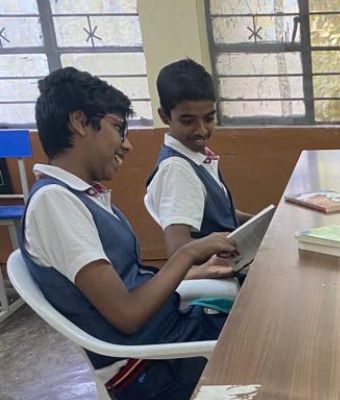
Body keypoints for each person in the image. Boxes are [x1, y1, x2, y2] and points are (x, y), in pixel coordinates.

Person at [20, 67, 237, 399]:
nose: (128, 145)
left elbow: (130, 283)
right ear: (80, 122)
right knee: (275, 341)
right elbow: (128, 315)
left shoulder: (81, 196)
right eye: (119, 129)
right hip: (149, 369)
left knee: (265, 316)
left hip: (170, 338)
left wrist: (194, 271)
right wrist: (188, 253)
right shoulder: (54, 202)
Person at [144, 58, 252, 280]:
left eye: (209, 118)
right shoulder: (177, 169)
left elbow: (217, 213)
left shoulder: (195, 157)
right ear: (164, 116)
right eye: (188, 121)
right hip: (216, 276)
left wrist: (261, 221)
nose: (201, 130)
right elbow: (178, 250)